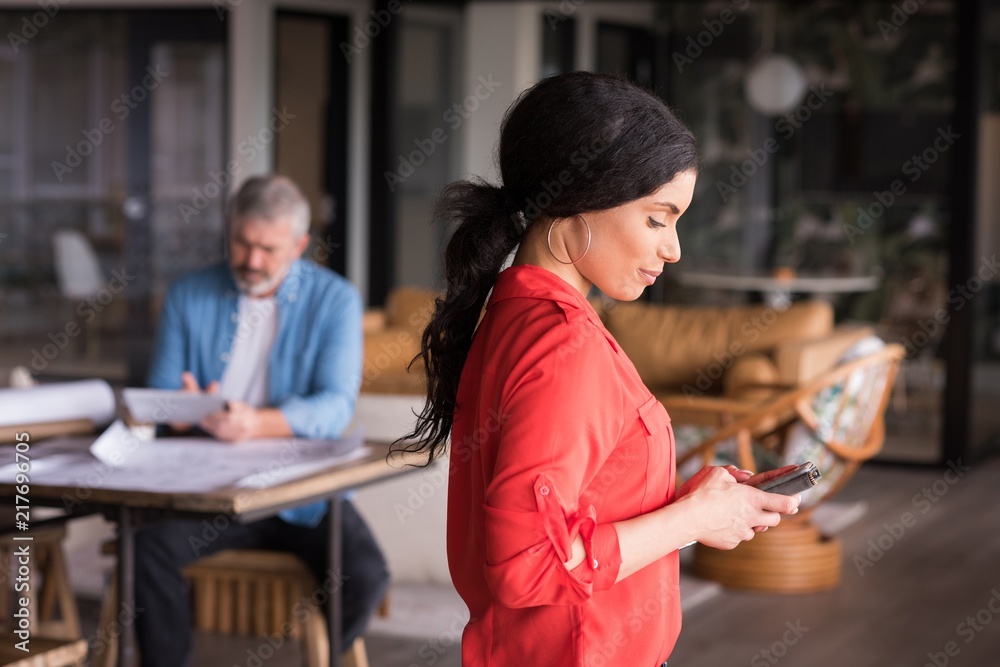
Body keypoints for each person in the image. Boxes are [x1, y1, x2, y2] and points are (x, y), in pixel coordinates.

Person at [400, 72, 801, 666]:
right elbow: (527, 564)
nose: (674, 248)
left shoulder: (517, 314)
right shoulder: (562, 346)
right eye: (657, 219)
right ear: (578, 204)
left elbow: (570, 509)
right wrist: (694, 516)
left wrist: (694, 511)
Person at [136, 174, 388, 667]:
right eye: (241, 243)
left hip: (301, 495)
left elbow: (335, 407)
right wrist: (184, 412)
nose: (251, 261)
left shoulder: (335, 300)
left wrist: (258, 424)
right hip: (209, 490)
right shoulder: (188, 294)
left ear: (298, 245)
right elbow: (160, 398)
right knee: (147, 548)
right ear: (228, 231)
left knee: (365, 574)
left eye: (267, 249)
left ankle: (320, 656)